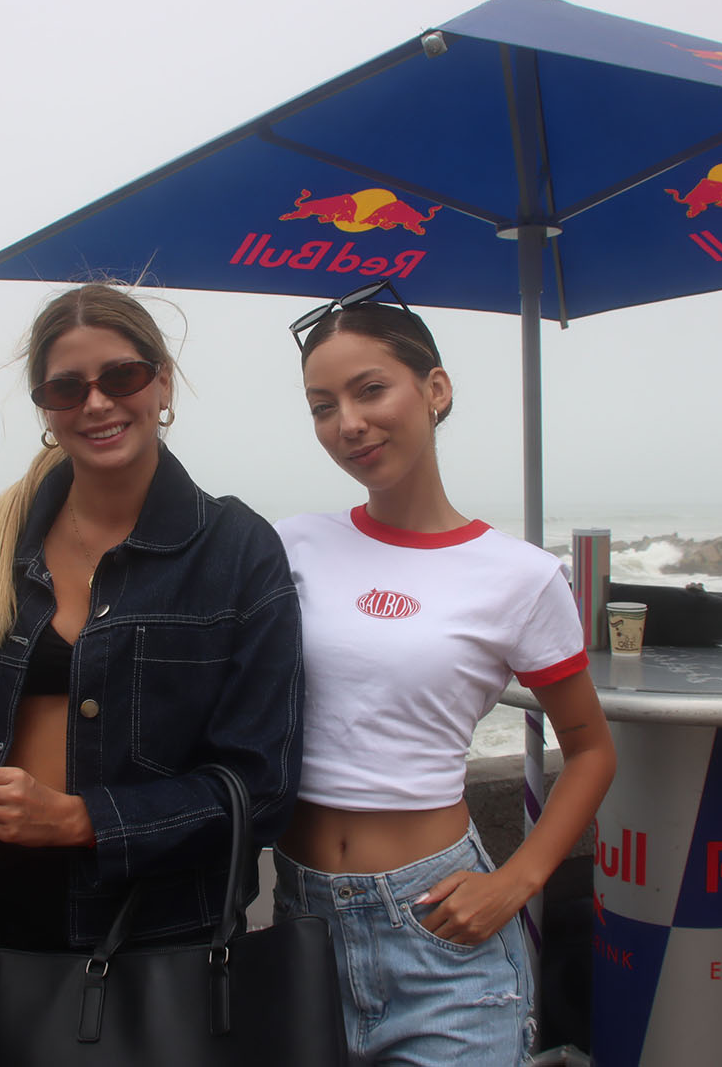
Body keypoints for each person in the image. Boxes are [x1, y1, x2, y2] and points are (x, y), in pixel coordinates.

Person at [0, 283, 305, 1067]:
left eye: (122, 376)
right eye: (66, 387)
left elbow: (262, 788)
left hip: (156, 947)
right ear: (45, 406)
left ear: (162, 383)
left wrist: (81, 821)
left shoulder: (238, 551)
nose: (97, 403)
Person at [271, 280, 617, 1066]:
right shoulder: (292, 546)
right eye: (322, 406)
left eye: (369, 390)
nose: (347, 423)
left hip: (436, 936)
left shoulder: (520, 577)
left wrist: (518, 881)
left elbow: (591, 751)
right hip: (300, 929)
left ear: (435, 390)